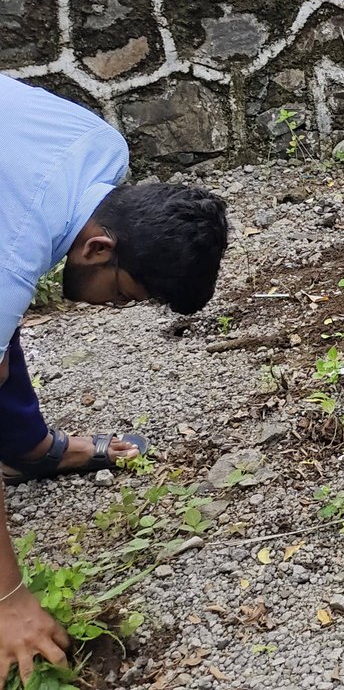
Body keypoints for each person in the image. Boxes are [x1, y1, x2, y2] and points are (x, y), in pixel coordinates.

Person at [0, 75, 228, 686]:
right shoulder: (13, 248)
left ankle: (24, 449)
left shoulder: (101, 151)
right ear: (99, 251)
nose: (114, 309)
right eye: (125, 295)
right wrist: (10, 600)